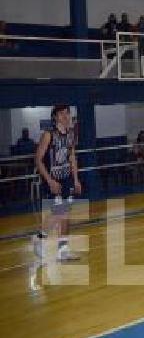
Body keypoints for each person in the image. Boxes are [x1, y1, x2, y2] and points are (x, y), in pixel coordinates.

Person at [32, 105, 82, 262]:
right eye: (62, 113)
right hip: (53, 178)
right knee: (58, 213)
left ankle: (63, 250)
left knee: (64, 215)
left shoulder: (71, 134)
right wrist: (49, 180)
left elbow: (72, 157)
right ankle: (39, 238)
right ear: (55, 117)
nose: (66, 116)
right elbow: (38, 160)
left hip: (66, 178)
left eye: (68, 113)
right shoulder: (48, 135)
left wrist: (75, 179)